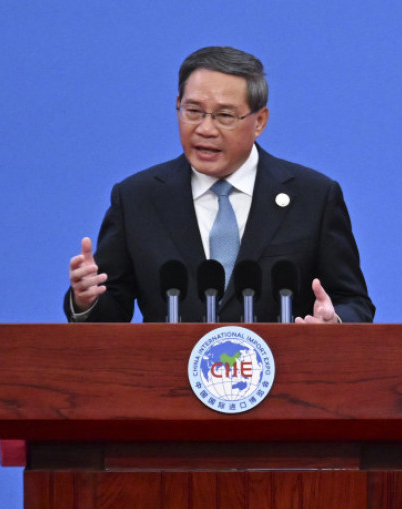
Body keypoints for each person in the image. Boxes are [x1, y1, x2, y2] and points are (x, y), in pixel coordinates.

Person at [66, 46, 374, 324]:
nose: (205, 129)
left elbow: (353, 302)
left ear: (259, 121)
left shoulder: (313, 196)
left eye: (225, 116)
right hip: (170, 369)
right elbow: (111, 314)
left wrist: (334, 323)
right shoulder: (137, 198)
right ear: (177, 106)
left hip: (284, 368)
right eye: (193, 111)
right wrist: (86, 301)